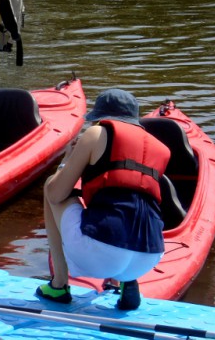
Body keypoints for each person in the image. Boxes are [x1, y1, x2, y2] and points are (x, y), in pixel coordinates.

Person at [36, 89, 171, 311]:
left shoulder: (96, 133)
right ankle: (124, 281)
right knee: (128, 207)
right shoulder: (162, 149)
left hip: (102, 252)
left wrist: (67, 159)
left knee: (51, 184)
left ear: (100, 117)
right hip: (150, 256)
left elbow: (55, 194)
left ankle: (59, 284)